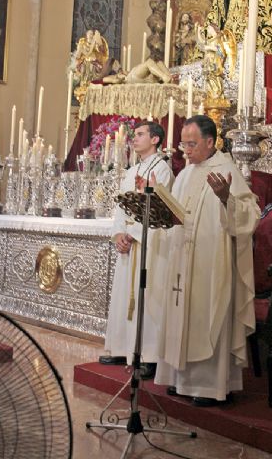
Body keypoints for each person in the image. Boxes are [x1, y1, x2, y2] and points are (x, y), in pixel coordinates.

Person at [155, 115, 260, 406]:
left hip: (210, 262)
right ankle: (179, 379)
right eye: (183, 144)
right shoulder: (186, 174)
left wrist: (227, 198)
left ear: (210, 142)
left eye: (192, 144)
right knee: (180, 316)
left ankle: (206, 386)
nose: (185, 150)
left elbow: (250, 215)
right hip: (182, 260)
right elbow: (175, 213)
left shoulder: (226, 169)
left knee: (206, 316)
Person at [99, 120, 174, 378]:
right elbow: (121, 206)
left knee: (146, 297)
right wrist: (118, 233)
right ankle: (122, 348)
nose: (135, 138)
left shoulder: (162, 169)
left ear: (155, 139)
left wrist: (132, 234)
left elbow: (161, 206)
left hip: (148, 243)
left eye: (141, 134)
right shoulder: (132, 171)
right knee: (124, 295)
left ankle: (148, 355)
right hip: (128, 242)